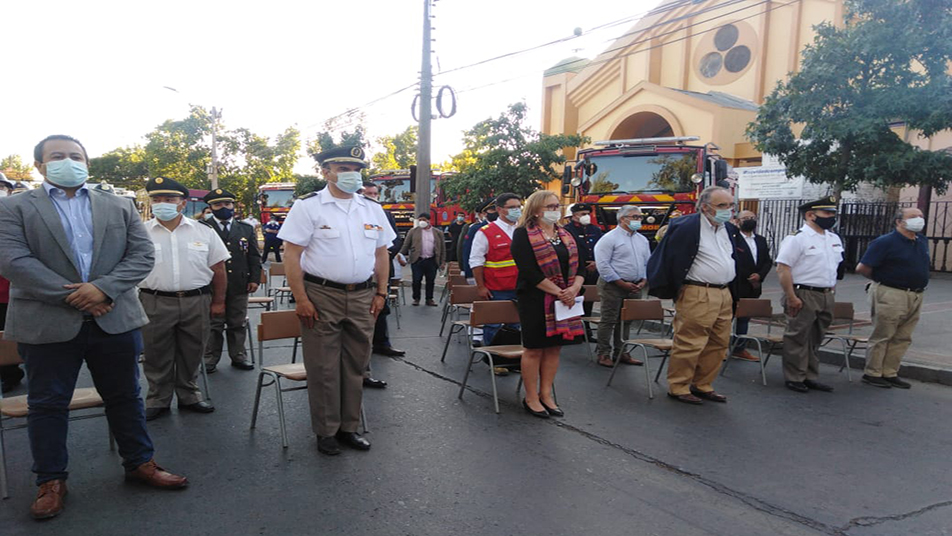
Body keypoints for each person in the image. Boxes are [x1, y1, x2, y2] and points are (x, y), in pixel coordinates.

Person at [0, 135, 187, 520]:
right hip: (47, 321)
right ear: (39, 166)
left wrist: (102, 288)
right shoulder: (14, 207)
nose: (68, 161)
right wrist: (76, 296)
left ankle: (140, 463)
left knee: (125, 396)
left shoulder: (118, 205)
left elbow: (141, 255)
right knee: (47, 404)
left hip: (114, 318)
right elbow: (12, 260)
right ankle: (50, 480)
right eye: (57, 157)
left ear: (87, 162)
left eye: (75, 156)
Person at [278, 145, 395, 456]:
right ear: (326, 172)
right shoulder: (309, 207)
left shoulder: (371, 209)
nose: (350, 174)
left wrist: (382, 291)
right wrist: (300, 297)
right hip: (321, 295)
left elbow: (382, 253)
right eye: (342, 168)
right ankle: (326, 431)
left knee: (356, 364)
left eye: (355, 169)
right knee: (324, 366)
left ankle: (349, 427)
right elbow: (292, 254)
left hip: (363, 295)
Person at [139, 177, 229, 420]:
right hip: (154, 300)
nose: (162, 204)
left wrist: (219, 302)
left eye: (169, 199)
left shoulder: (204, 231)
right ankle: (158, 398)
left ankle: (189, 394)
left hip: (196, 300)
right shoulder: (139, 232)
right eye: (157, 199)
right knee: (156, 353)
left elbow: (219, 269)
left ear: (182, 203)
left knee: (193, 350)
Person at [647, 186, 738, 405]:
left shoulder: (728, 229)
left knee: (718, 343)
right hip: (698, 291)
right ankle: (679, 386)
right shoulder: (687, 226)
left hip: (724, 292)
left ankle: (703, 384)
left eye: (731, 205)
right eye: (722, 206)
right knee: (690, 342)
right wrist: (672, 290)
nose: (728, 210)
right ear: (705, 207)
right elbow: (666, 259)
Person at [511, 191, 584, 418]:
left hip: (564, 299)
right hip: (535, 298)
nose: (556, 210)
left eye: (557, 206)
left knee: (554, 348)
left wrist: (572, 290)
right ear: (535, 210)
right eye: (550, 207)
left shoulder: (566, 234)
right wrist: (560, 292)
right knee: (534, 349)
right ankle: (531, 397)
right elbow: (529, 271)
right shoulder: (523, 234)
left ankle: (546, 395)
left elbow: (580, 267)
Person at [775, 196, 844, 394]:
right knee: (797, 336)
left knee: (816, 337)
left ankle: (810, 376)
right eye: (827, 213)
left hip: (826, 293)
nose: (831, 217)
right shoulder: (797, 238)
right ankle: (795, 377)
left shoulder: (833, 238)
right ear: (810, 215)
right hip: (803, 292)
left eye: (832, 213)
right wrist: (791, 297)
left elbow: (833, 269)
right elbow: (783, 269)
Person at [855, 207, 929, 389]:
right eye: (913, 217)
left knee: (903, 336)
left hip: (916, 294)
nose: (919, 219)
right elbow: (862, 268)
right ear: (899, 221)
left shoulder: (921, 241)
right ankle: (872, 372)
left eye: (921, 216)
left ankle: (889, 372)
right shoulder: (885, 242)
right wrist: (883, 281)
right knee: (883, 334)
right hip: (891, 292)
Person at [200, 188, 262, 373]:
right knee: (214, 324)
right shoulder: (202, 227)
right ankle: (210, 358)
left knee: (237, 322)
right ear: (210, 207)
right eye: (218, 204)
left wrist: (255, 279)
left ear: (233, 206)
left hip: (239, 283)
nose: (224, 207)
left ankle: (239, 356)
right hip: (211, 284)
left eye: (227, 204)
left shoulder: (245, 228)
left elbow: (253, 256)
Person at [593, 206, 650, 368]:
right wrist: (620, 282)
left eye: (640, 217)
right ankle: (603, 353)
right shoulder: (609, 238)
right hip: (613, 285)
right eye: (634, 217)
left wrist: (643, 280)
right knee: (609, 319)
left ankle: (622, 351)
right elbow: (603, 265)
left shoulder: (642, 240)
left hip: (635, 285)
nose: (638, 220)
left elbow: (647, 262)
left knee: (626, 320)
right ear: (622, 219)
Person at [359, 181, 403, 387]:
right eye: (368, 193)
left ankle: (382, 343)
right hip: (361, 274)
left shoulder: (383, 214)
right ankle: (359, 369)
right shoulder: (355, 213)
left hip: (382, 268)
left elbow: (395, 240)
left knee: (381, 308)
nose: (373, 196)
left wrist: (386, 256)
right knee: (362, 321)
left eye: (375, 193)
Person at [470, 193, 522, 346]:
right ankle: (496, 362)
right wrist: (480, 286)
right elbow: (476, 260)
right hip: (496, 288)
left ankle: (510, 361)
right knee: (494, 324)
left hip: (520, 286)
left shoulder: (523, 230)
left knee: (515, 325)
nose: (516, 210)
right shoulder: (485, 232)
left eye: (518, 207)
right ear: (499, 209)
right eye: (512, 207)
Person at [728, 210, 772, 362]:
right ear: (737, 221)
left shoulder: (760, 240)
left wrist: (759, 275)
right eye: (745, 218)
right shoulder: (732, 239)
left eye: (752, 218)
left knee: (744, 319)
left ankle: (739, 348)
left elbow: (767, 261)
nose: (749, 220)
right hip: (735, 285)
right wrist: (748, 276)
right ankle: (719, 348)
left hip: (753, 287)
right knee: (727, 319)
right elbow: (732, 260)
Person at [0, 173, 22, 393]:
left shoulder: (15, 217)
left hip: (10, 294)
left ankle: (11, 374)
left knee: (10, 339)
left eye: (2, 186)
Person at [564, 203, 603, 318]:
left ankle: (587, 329)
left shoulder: (595, 230)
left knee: (588, 302)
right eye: (583, 214)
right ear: (574, 215)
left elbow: (601, 248)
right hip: (576, 270)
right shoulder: (567, 231)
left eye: (588, 214)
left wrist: (596, 262)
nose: (586, 216)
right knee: (575, 300)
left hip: (593, 270)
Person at [400, 213, 446, 306]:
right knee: (416, 280)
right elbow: (406, 245)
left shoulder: (437, 232)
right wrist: (400, 255)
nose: (422, 222)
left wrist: (442, 262)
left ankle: (429, 299)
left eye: (424, 220)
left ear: (429, 220)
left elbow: (443, 248)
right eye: (420, 220)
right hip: (417, 260)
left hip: (432, 260)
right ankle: (416, 298)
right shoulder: (413, 232)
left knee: (430, 280)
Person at [459, 200, 497, 282]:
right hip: (483, 274)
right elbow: (467, 251)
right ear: (484, 213)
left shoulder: (507, 227)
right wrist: (469, 275)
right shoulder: (476, 229)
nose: (496, 212)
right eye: (493, 210)